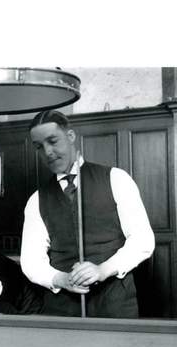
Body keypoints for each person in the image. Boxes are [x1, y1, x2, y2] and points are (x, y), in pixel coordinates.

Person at [20, 110, 155, 318]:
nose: (47, 152)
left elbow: (143, 241)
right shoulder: (36, 200)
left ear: (70, 136)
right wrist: (61, 279)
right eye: (39, 146)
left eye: (53, 141)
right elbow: (31, 262)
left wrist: (103, 270)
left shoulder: (116, 179)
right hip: (62, 311)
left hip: (115, 305)